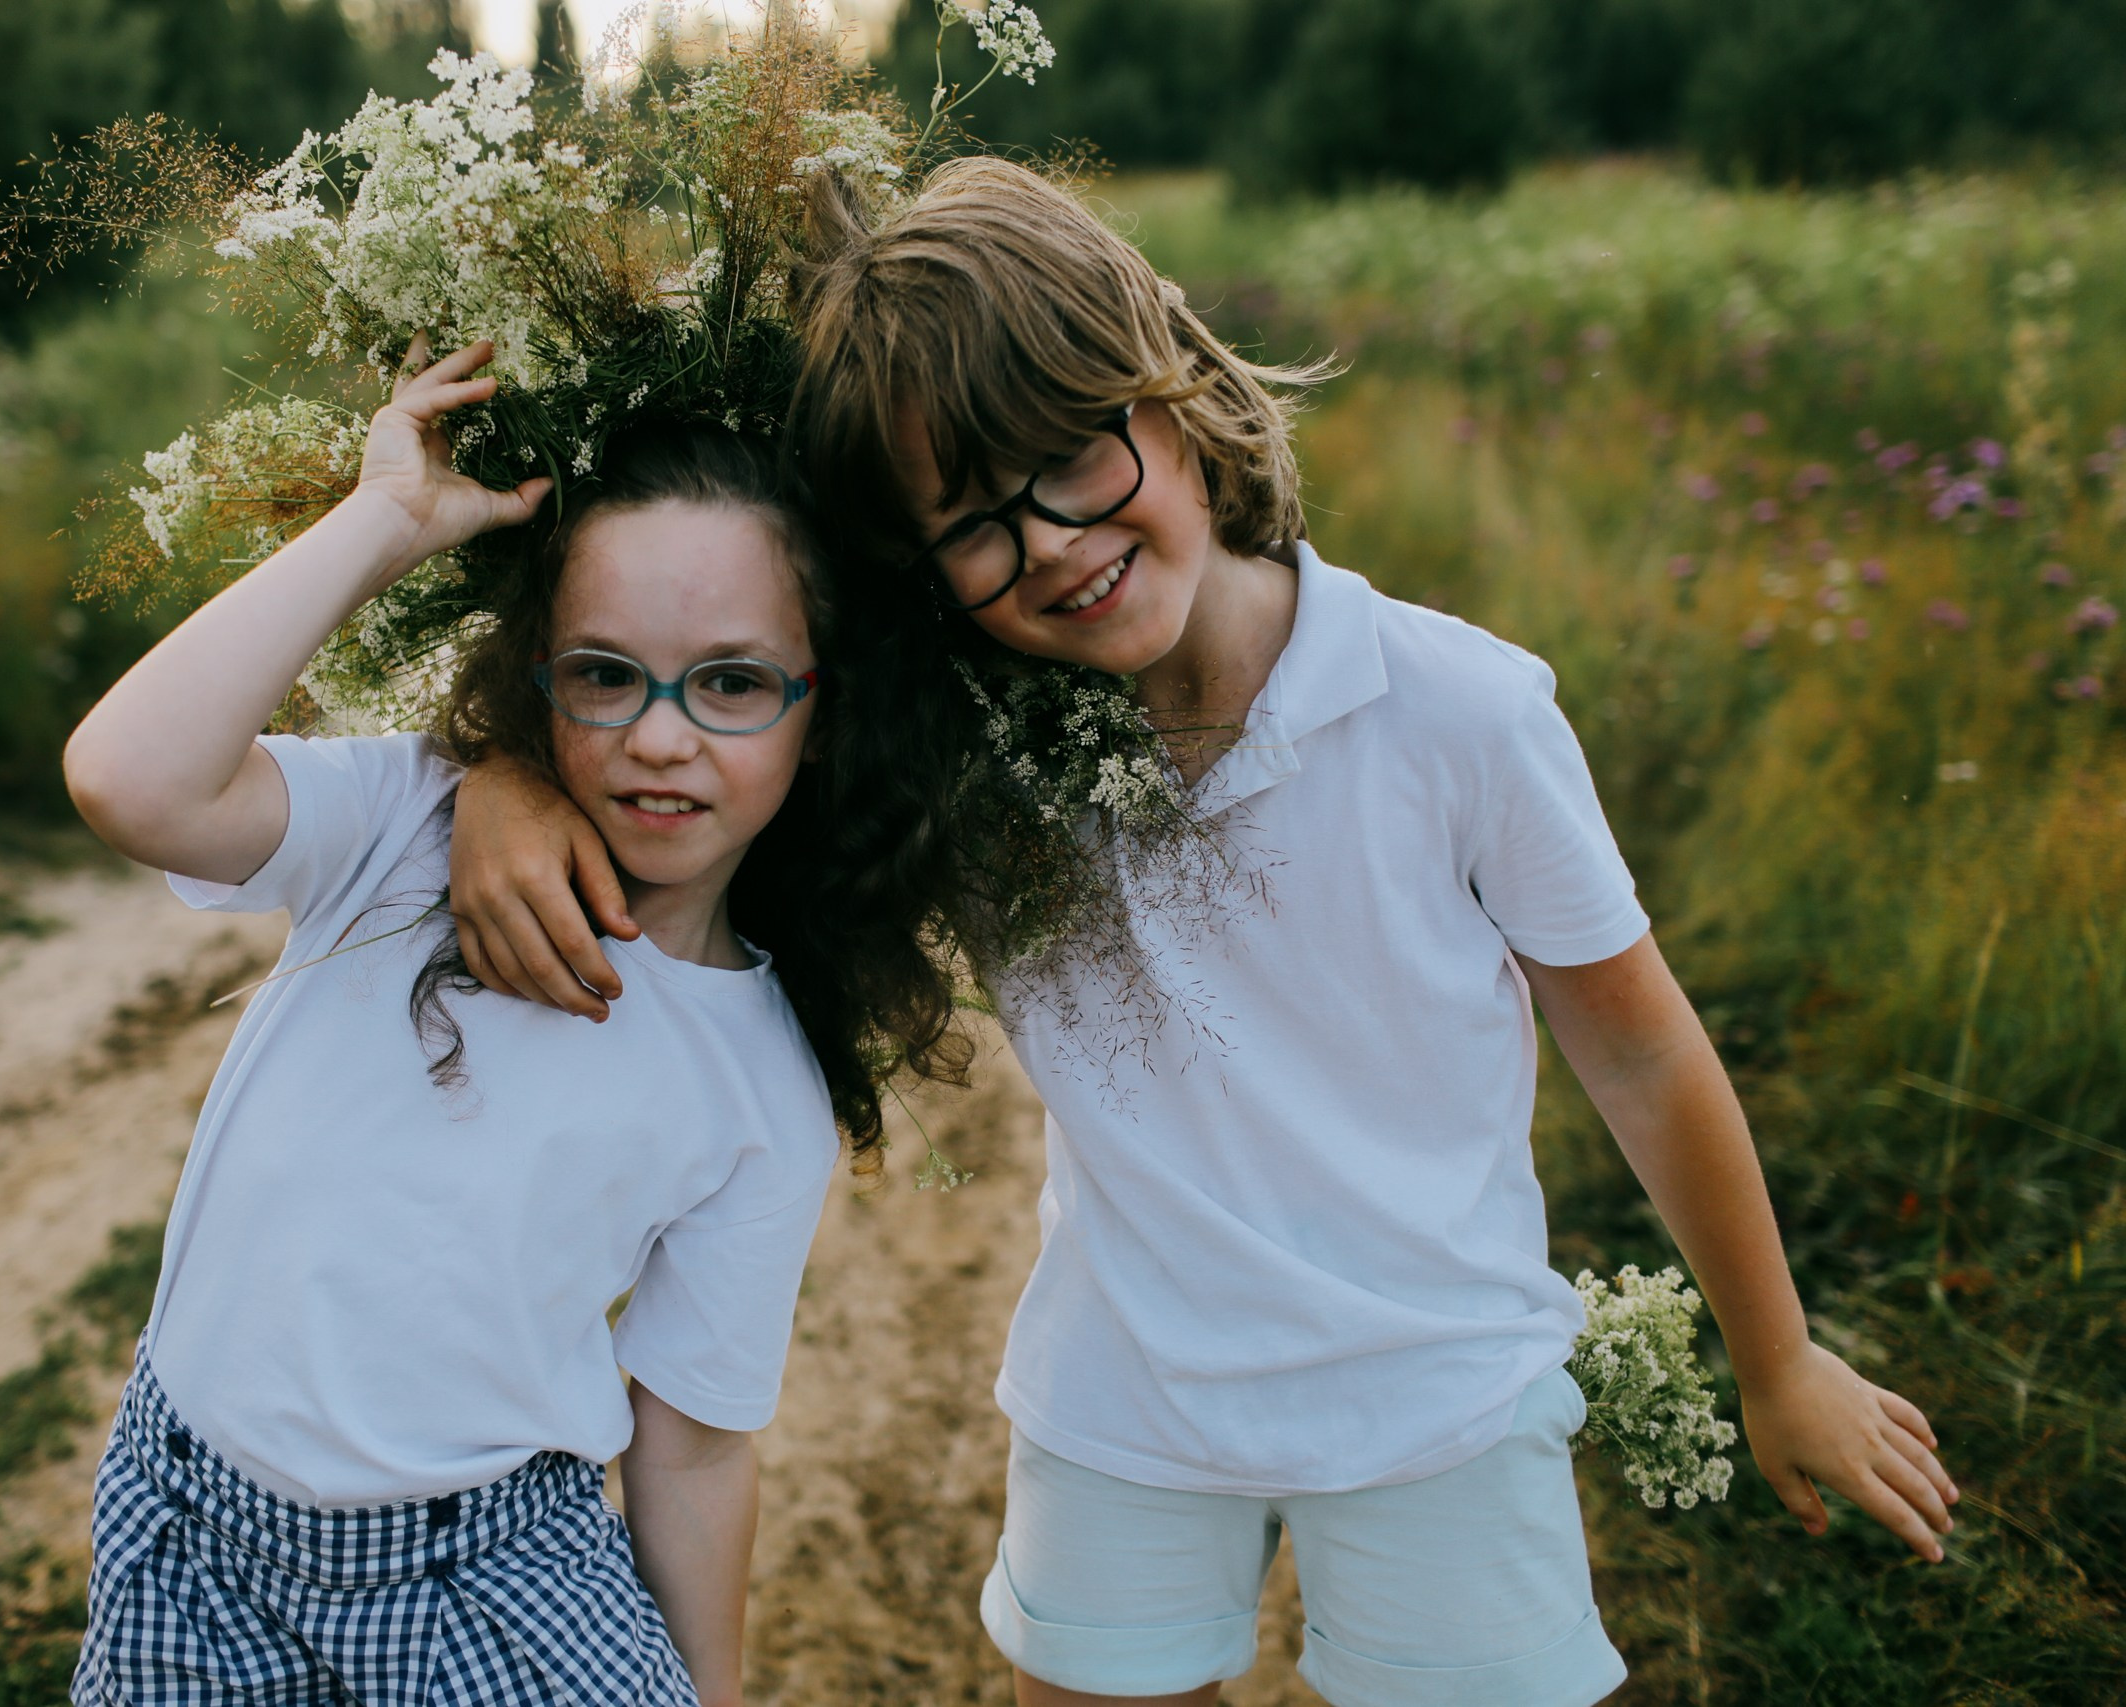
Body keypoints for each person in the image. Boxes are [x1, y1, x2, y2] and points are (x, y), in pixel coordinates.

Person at [442, 162, 1963, 1707]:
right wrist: (502, 770)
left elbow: (1639, 1054)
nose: (1045, 544)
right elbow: (691, 668)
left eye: (1066, 461)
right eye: (968, 523)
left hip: (1443, 1403)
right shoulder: (966, 768)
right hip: (1128, 1413)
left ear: (1166, 392)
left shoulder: (1462, 712)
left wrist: (1775, 1363)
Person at [58, 338, 959, 1707]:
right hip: (194, 1540)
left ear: (818, 713)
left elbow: (695, 1447)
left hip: (487, 1578)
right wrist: (386, 526)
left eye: (730, 683)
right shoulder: (402, 826)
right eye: (605, 674)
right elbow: (130, 777)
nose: (662, 736)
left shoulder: (761, 1081)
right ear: (537, 676)